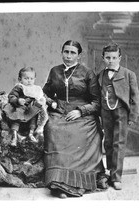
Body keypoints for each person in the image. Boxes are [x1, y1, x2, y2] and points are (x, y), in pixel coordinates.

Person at [43, 40, 107, 198]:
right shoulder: (55, 71)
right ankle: (58, 180)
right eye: (66, 52)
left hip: (82, 113)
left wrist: (80, 111)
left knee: (78, 133)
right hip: (59, 110)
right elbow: (44, 93)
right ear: (62, 52)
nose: (69, 56)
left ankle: (71, 183)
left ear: (79, 55)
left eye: (72, 53)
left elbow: (97, 102)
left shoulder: (87, 72)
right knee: (53, 128)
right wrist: (51, 102)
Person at [98, 43, 139, 190]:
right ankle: (110, 171)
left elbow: (135, 98)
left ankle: (116, 177)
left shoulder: (129, 74)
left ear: (120, 58)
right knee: (108, 142)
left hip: (121, 112)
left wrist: (133, 116)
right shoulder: (101, 75)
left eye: (114, 57)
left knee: (119, 143)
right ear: (103, 58)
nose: (111, 60)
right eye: (108, 57)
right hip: (105, 113)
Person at [3, 67, 52, 146]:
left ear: (35, 79)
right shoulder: (20, 87)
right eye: (26, 78)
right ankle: (14, 136)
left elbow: (44, 96)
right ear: (20, 79)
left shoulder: (36, 89)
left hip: (31, 108)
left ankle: (31, 133)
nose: (29, 81)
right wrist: (18, 100)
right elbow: (11, 96)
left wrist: (51, 102)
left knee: (35, 116)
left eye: (31, 79)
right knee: (17, 117)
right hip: (20, 108)